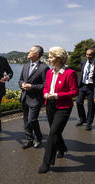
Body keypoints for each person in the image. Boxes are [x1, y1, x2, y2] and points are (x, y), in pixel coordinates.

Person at [38, 46, 78, 174]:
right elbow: (46, 87)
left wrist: (57, 95)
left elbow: (74, 91)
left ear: (59, 58)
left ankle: (47, 162)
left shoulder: (70, 73)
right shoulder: (49, 72)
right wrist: (45, 94)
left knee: (53, 133)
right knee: (55, 131)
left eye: (50, 57)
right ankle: (62, 148)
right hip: (50, 105)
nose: (48, 59)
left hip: (64, 107)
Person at [18, 45, 49, 149]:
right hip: (25, 97)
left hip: (36, 99)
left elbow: (45, 85)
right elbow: (20, 79)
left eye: (30, 51)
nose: (28, 52)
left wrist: (31, 86)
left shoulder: (44, 68)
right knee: (26, 120)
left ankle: (39, 137)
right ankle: (29, 140)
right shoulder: (25, 66)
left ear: (37, 54)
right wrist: (22, 85)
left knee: (32, 120)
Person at [76, 48, 95, 131]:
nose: (88, 56)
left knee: (91, 106)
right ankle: (82, 119)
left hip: (92, 87)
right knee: (78, 102)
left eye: (90, 55)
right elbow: (82, 73)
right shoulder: (83, 62)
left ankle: (88, 123)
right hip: (82, 86)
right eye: (87, 54)